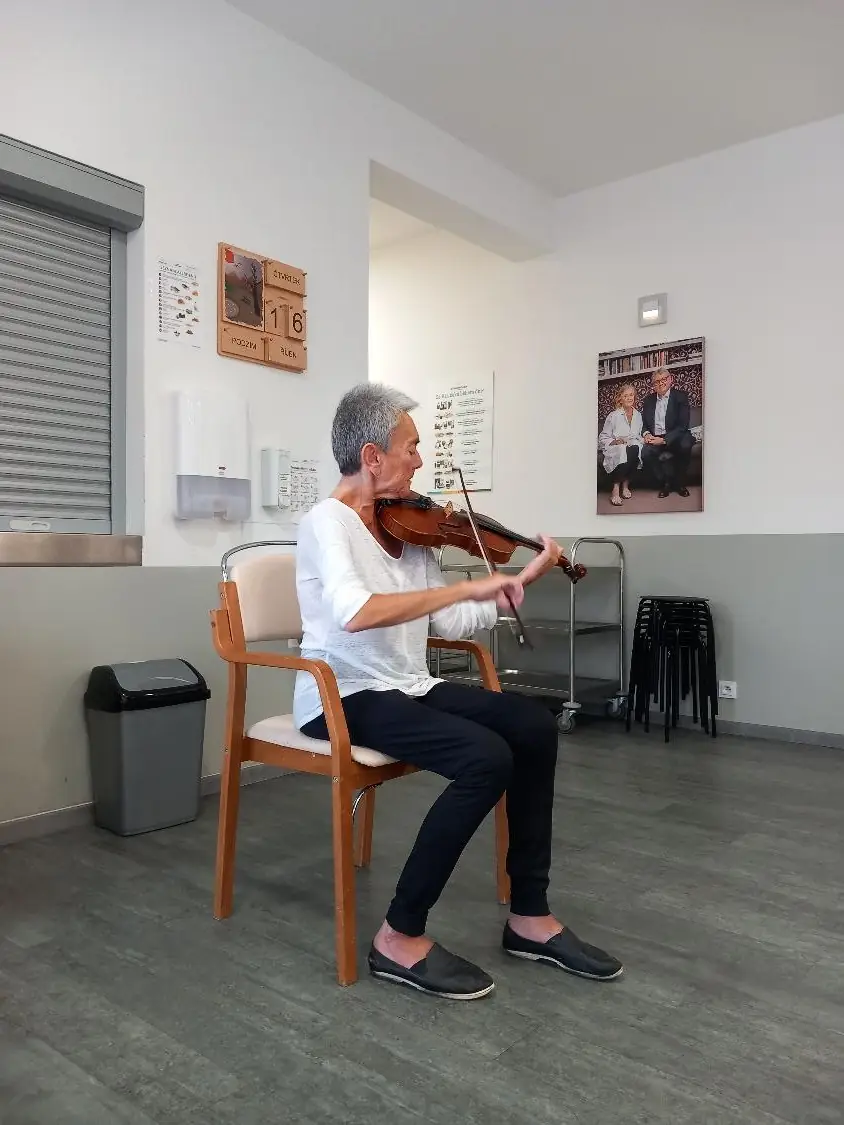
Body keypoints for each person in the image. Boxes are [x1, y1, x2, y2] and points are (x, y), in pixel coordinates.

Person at [293, 383, 622, 1000]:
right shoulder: (326, 523)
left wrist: (511, 587)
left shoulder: (409, 529)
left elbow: (448, 621)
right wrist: (464, 587)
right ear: (372, 457)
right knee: (485, 757)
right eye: (411, 448)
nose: (420, 462)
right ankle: (398, 937)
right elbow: (355, 613)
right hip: (343, 694)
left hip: (408, 685)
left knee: (532, 727)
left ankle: (530, 916)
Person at [641, 368, 694, 497]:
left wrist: (665, 440)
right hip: (656, 436)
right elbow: (643, 424)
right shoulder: (648, 401)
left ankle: (679, 483)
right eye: (657, 381)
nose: (661, 383)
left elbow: (683, 425)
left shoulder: (681, 396)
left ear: (670, 379)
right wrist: (646, 434)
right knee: (646, 453)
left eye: (664, 379)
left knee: (686, 444)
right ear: (653, 385)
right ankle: (665, 483)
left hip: (677, 435)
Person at [598, 382, 643, 506]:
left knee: (636, 447)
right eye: (626, 395)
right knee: (624, 450)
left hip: (632, 445)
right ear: (620, 399)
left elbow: (638, 435)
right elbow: (603, 437)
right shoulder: (613, 416)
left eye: (631, 395)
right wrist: (616, 441)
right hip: (616, 447)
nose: (629, 398)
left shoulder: (638, 415)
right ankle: (616, 488)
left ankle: (626, 485)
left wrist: (646, 438)